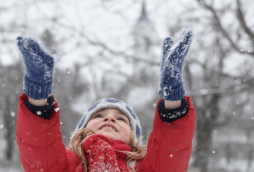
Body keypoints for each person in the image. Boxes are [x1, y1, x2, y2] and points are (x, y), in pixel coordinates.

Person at [15, 29, 196, 172]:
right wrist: (38, 94)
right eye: (99, 115)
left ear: (133, 137)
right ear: (83, 129)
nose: (109, 119)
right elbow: (39, 147)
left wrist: (172, 98)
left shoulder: (145, 167)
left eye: (121, 118)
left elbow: (171, 150)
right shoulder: (65, 164)